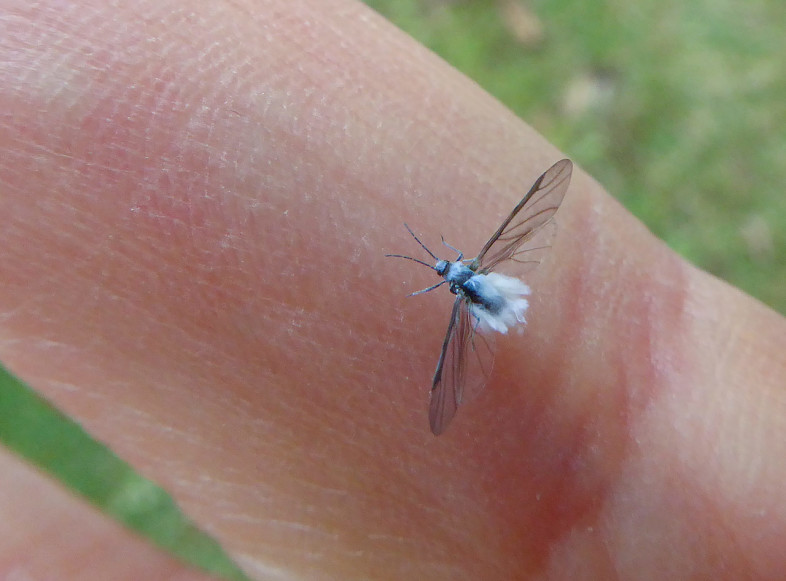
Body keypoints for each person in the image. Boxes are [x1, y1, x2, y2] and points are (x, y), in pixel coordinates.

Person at [1, 1, 784, 579]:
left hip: (499, 301)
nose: (443, 265)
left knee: (481, 325)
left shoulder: (468, 285)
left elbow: (531, 211)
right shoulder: (464, 288)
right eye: (443, 269)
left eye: (442, 265)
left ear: (453, 269)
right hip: (498, 303)